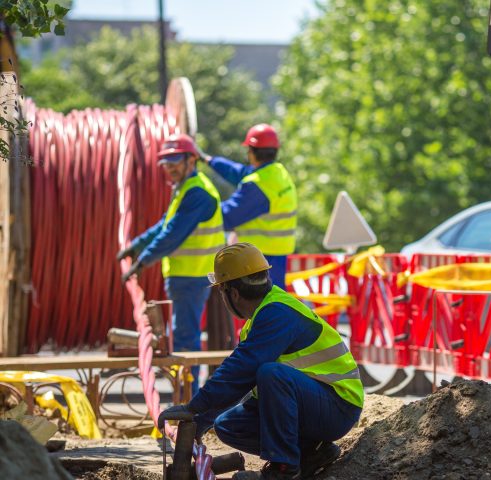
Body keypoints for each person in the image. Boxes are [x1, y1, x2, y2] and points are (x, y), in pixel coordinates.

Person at [158, 243, 363, 480]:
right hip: (317, 403)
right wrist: (199, 421)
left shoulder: (277, 312)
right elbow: (240, 380)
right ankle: (312, 454)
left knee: (271, 374)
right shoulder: (264, 314)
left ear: (232, 293)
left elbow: (239, 369)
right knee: (228, 425)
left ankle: (283, 470)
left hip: (338, 407)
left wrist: (194, 407)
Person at [117, 133, 225, 391]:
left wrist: (142, 262)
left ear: (192, 160)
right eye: (166, 162)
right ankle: (187, 395)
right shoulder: (185, 189)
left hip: (192, 276)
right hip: (186, 276)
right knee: (184, 336)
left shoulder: (197, 192)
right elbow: (164, 224)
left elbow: (172, 234)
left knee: (186, 339)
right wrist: (136, 246)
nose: (169, 167)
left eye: (175, 160)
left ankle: (189, 398)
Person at [197, 124, 297, 289]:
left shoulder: (256, 185)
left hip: (258, 260)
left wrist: (197, 207)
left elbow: (227, 217)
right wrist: (208, 160)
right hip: (277, 255)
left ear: (251, 152)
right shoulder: (278, 173)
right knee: (272, 303)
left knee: (260, 306)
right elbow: (237, 172)